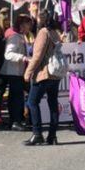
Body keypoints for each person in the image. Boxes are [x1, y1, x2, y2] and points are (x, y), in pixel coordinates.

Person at [23, 11, 63, 146]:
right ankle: (52, 136)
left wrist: (28, 72)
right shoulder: (55, 33)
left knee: (32, 102)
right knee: (52, 104)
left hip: (44, 73)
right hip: (55, 74)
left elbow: (38, 56)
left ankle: (37, 133)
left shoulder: (43, 32)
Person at [1, 14, 32, 131]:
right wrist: (23, 58)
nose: (30, 27)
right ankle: (15, 121)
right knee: (16, 97)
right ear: (22, 24)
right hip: (13, 71)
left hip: (19, 71)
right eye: (28, 24)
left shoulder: (21, 36)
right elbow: (8, 54)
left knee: (17, 96)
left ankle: (16, 120)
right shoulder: (14, 37)